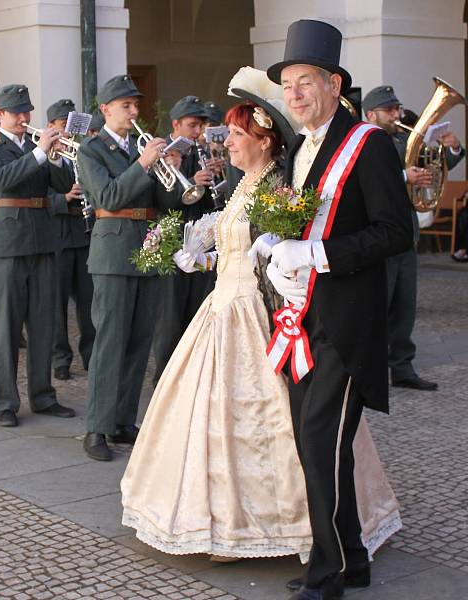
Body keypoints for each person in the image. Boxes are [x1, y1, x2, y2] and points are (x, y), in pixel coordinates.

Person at [121, 75, 402, 565]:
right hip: (221, 308)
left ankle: (309, 540)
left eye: (235, 134)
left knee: (295, 431)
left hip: (262, 313)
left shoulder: (279, 185)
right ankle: (238, 527)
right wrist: (198, 259)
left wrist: (285, 258)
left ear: (265, 139)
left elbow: (274, 255)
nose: (225, 142)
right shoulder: (243, 185)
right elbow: (236, 250)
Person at [264, 20, 412, 599]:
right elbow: (297, 222)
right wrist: (275, 244)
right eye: (288, 85)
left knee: (320, 440)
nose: (295, 94)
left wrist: (318, 251)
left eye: (305, 82)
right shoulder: (301, 147)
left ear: (334, 83)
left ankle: (328, 575)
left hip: (347, 325)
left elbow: (396, 232)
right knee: (316, 442)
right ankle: (351, 559)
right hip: (304, 320)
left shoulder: (367, 144)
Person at [76, 74, 182, 461]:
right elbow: (107, 195)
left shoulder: (140, 147)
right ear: (105, 110)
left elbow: (166, 202)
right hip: (113, 252)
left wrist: (171, 168)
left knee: (139, 344)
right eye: (126, 105)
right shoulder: (91, 150)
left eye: (135, 105)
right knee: (110, 343)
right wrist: (143, 163)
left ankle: (122, 420)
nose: (134, 111)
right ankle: (97, 428)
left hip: (147, 249)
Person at [0, 84, 77, 427]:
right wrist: (38, 153)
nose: (24, 118)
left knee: (43, 325)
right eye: (16, 112)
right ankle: (4, 401)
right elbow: (1, 181)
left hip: (43, 240)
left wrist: (57, 154)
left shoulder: (38, 145)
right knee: (7, 327)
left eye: (27, 111)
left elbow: (62, 185)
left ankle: (43, 395)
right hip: (8, 245)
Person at [363, 84, 465, 390]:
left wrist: (452, 148)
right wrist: (404, 176)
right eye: (389, 110)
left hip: (405, 236)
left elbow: (434, 166)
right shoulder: (365, 142)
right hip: (379, 237)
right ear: (371, 114)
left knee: (405, 306)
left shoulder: (402, 139)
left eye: (396, 109)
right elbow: (367, 181)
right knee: (379, 305)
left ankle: (402, 366)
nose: (397, 114)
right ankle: (373, 368)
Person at [151, 96, 217, 383]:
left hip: (200, 242)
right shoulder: (163, 153)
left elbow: (209, 207)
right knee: (170, 316)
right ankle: (164, 378)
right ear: (175, 124)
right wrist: (188, 178)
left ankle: (191, 375)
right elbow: (162, 201)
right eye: (192, 125)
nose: (197, 131)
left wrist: (217, 178)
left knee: (196, 311)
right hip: (172, 242)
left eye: (200, 125)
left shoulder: (199, 152)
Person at [46, 98, 95, 381]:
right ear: (51, 127)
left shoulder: (84, 151)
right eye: (62, 125)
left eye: (71, 124)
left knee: (89, 303)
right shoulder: (43, 154)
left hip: (84, 234)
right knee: (57, 303)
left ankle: (90, 354)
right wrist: (63, 198)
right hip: (57, 235)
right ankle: (60, 358)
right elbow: (38, 196)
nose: (67, 131)